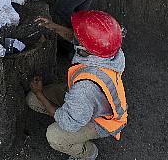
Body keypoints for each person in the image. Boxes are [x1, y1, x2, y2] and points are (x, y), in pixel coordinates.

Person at [28, 10, 127, 160]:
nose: (76, 37)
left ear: (87, 49)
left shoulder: (84, 88)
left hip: (101, 120)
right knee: (31, 100)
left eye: (80, 38)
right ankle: (73, 115)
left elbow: (68, 124)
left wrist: (39, 93)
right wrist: (53, 26)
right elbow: (79, 40)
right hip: (88, 102)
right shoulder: (108, 48)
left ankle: (88, 153)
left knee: (55, 135)